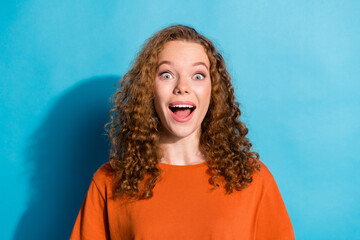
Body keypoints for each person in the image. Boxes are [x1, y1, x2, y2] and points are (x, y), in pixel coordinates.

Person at [70, 25, 295, 239]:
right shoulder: (110, 180)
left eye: (198, 75)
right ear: (149, 89)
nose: (182, 87)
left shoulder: (252, 178)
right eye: (167, 74)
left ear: (213, 91)